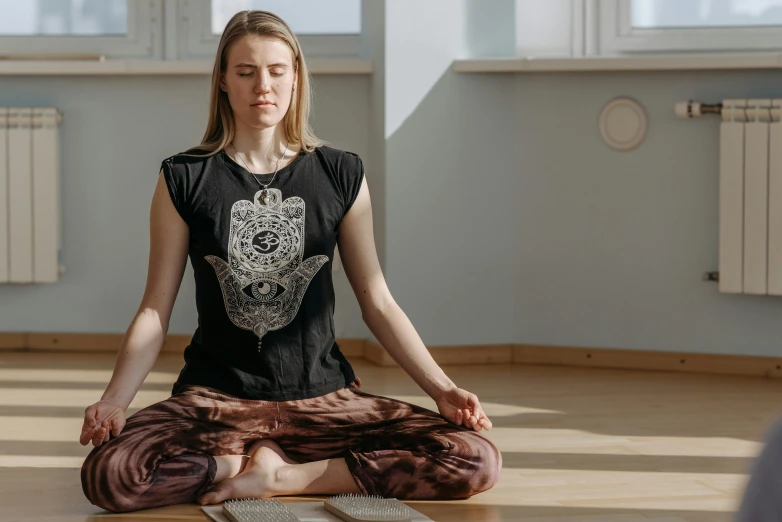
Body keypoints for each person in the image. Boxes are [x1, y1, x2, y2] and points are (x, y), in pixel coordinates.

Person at [79, 10, 501, 513]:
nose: (264, 85)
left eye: (278, 70)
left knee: (474, 458)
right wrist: (115, 401)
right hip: (217, 402)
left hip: (325, 402)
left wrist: (445, 389)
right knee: (109, 474)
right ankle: (237, 467)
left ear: (296, 77)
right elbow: (155, 309)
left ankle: (285, 475)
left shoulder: (341, 173)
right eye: (246, 71)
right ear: (223, 80)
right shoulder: (183, 178)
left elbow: (378, 302)